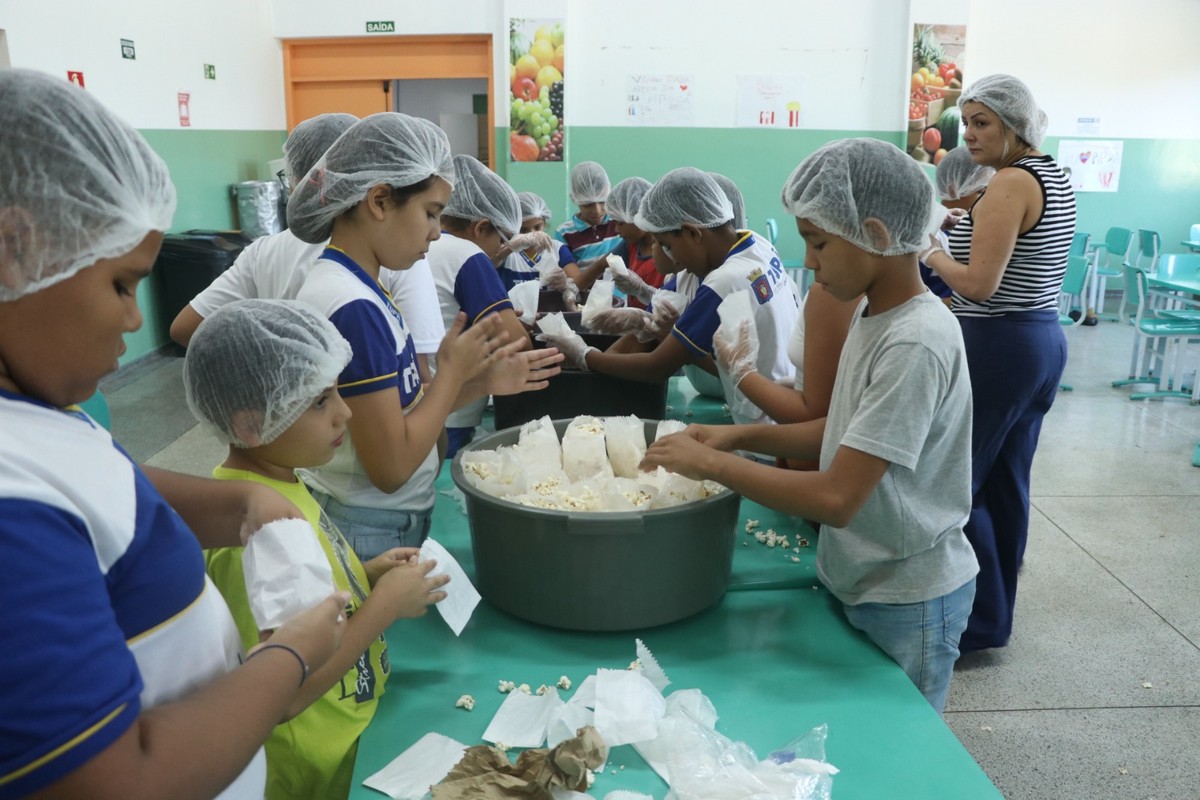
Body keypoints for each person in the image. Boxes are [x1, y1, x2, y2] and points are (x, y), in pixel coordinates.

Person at [0, 67, 347, 799]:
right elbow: (117, 782)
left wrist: (240, 505)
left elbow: (102, 489)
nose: (136, 319)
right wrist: (288, 656)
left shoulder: (38, 411)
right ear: (14, 248)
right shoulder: (9, 512)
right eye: (122, 284)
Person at [642, 138, 979, 712]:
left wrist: (714, 465)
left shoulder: (914, 341)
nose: (811, 261)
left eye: (818, 243)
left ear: (875, 234)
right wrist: (736, 436)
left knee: (896, 734)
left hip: (908, 595)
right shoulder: (873, 313)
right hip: (864, 574)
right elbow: (842, 432)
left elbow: (838, 497)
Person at [183, 299, 449, 800]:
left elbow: (303, 601)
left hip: (354, 729)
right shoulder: (254, 535)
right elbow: (283, 689)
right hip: (318, 771)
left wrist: (363, 575)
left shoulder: (280, 483)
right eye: (320, 401)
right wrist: (383, 607)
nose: (345, 412)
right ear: (250, 425)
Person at [287, 113, 563, 561]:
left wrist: (480, 383)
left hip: (383, 519)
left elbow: (401, 412)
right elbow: (391, 468)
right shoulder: (351, 305)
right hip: (368, 525)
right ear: (379, 201)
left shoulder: (367, 288)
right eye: (430, 213)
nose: (437, 231)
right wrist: (452, 375)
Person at [922, 74, 1075, 653]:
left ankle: (970, 622)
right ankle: (994, 614)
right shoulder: (1049, 173)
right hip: (1039, 339)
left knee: (965, 481)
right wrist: (961, 227)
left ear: (1015, 124)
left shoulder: (1009, 182)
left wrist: (931, 253)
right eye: (966, 122)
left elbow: (980, 285)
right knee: (1007, 480)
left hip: (1000, 344)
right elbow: (1018, 252)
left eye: (982, 122)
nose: (969, 134)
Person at [168, 115, 448, 391]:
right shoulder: (395, 253)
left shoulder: (264, 252)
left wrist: (278, 376)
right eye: (430, 213)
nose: (434, 232)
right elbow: (418, 371)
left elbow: (185, 329)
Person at [539, 167, 800, 428]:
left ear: (693, 233)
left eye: (667, 245)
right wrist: (642, 320)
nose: (669, 256)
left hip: (765, 420)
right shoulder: (756, 244)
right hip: (777, 400)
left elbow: (656, 367)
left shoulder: (724, 281)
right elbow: (662, 320)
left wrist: (584, 354)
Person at [430, 155, 535, 457]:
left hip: (421, 402)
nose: (503, 251)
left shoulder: (416, 248)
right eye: (503, 241)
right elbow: (518, 346)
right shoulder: (468, 255)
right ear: (481, 227)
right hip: (453, 413)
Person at [919, 147, 995, 302]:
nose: (991, 199)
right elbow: (911, 303)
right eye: (982, 191)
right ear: (953, 189)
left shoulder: (982, 230)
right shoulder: (930, 233)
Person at [555, 160, 623, 291]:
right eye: (588, 204)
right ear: (575, 198)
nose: (597, 210)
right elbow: (575, 280)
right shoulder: (564, 233)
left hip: (623, 297)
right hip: (588, 298)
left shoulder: (618, 221)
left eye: (602, 201)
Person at [496, 191, 579, 292]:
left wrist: (566, 283)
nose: (532, 234)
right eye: (523, 230)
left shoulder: (557, 249)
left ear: (544, 223)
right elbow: (490, 263)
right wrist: (510, 247)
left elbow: (578, 282)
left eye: (537, 227)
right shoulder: (507, 253)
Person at [605, 176, 662, 309]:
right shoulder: (631, 245)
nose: (616, 230)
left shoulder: (667, 253)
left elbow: (675, 301)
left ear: (639, 216)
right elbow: (598, 267)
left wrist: (642, 290)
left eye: (620, 223)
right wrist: (573, 287)